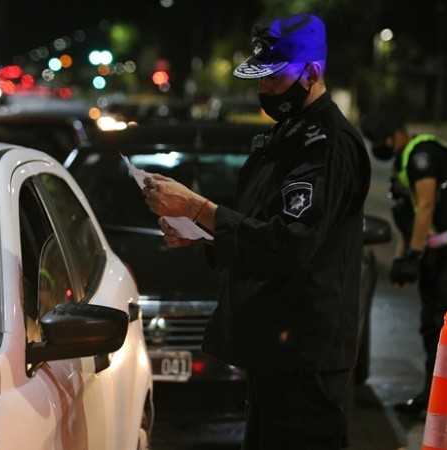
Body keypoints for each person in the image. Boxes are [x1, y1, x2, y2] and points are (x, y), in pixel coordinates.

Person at [141, 13, 371, 449]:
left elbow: (290, 244)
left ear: (311, 72)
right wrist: (201, 230)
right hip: (274, 347)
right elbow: (260, 225)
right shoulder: (286, 136)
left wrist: (199, 207)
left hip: (305, 355)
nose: (264, 88)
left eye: (275, 78)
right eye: (260, 78)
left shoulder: (326, 143)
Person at [360, 111, 447, 418]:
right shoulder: (403, 163)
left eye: (379, 141)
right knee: (431, 327)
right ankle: (433, 394)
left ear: (394, 134)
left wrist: (413, 254)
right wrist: (403, 258)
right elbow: (411, 218)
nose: (377, 147)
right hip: (434, 252)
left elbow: (426, 205)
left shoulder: (423, 155)